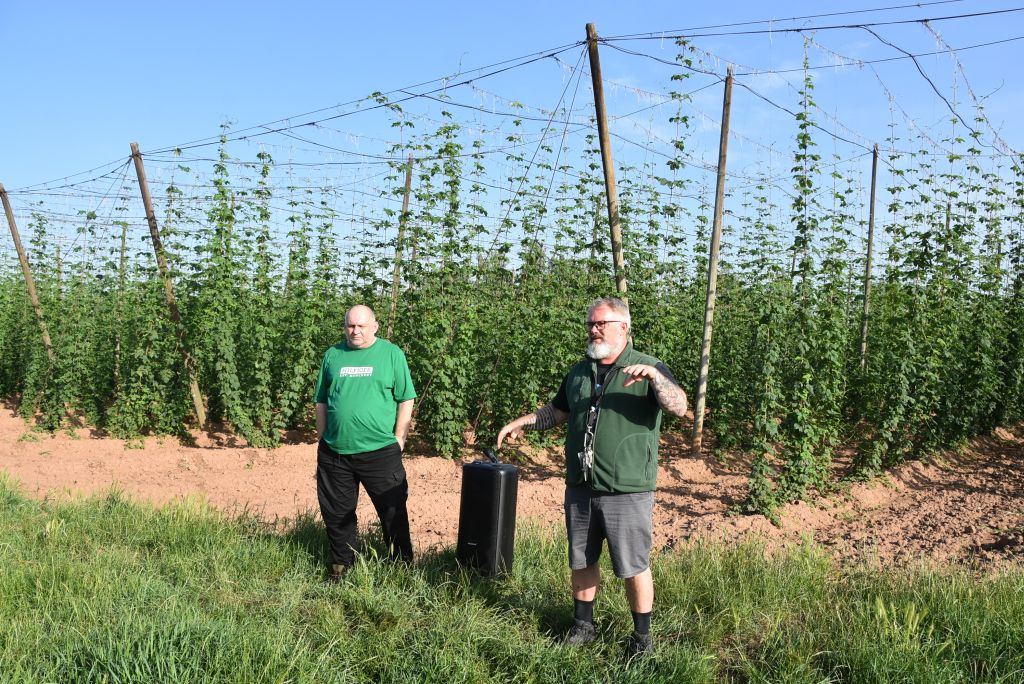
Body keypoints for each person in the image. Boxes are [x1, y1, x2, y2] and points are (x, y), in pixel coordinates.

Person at [497, 297, 687, 661]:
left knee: (633, 564)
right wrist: (524, 422)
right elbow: (557, 411)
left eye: (601, 323)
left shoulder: (647, 366)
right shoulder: (580, 372)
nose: (593, 329)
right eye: (590, 324)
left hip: (626, 487)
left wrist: (656, 379)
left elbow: (679, 407)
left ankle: (642, 638)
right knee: (581, 559)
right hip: (581, 484)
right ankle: (583, 625)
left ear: (623, 327)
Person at [313, 304, 416, 580]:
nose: (355, 331)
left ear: (374, 326)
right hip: (335, 453)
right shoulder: (333, 355)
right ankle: (341, 567)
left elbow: (406, 398)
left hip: (380, 452)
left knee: (392, 512)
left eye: (361, 326)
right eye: (350, 326)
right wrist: (322, 437)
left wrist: (399, 438)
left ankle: (402, 568)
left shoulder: (391, 354)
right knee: (337, 515)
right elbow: (321, 400)